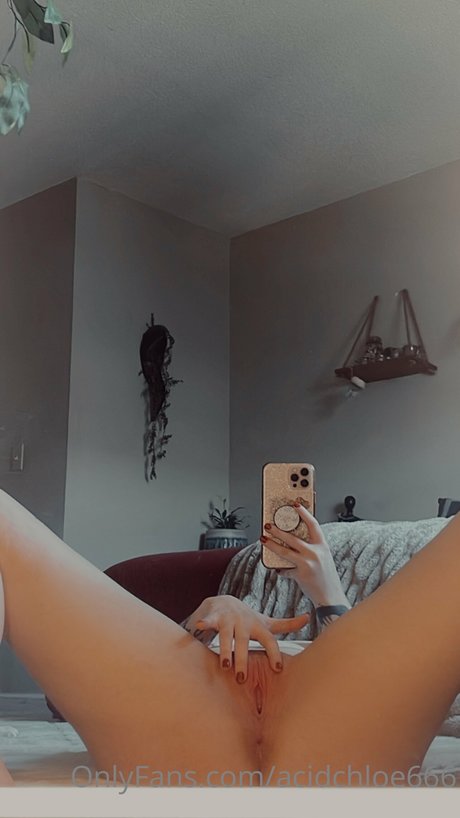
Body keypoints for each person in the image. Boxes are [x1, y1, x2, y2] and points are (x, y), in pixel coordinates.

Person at [0, 488, 459, 788]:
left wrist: (328, 593)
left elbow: (372, 673)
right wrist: (216, 610)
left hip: (319, 702)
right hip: (199, 696)